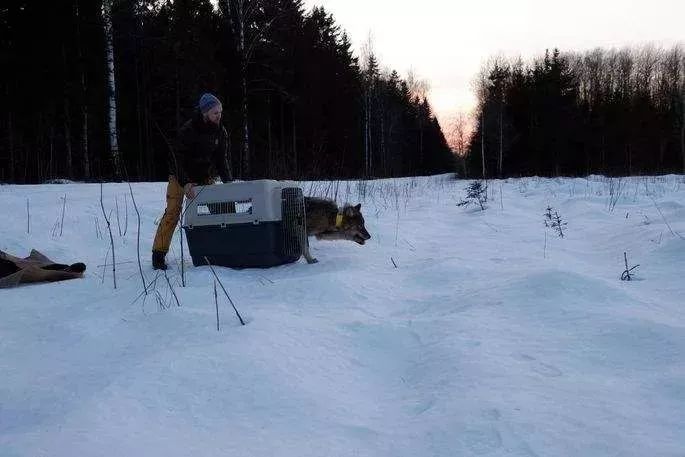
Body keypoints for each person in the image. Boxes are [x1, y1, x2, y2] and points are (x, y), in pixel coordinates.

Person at [152, 93, 233, 270]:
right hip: (180, 177)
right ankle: (158, 254)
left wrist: (229, 185)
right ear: (205, 113)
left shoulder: (221, 132)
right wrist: (186, 182)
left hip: (204, 177)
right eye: (215, 112)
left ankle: (225, 250)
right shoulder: (188, 130)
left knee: (222, 209)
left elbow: (221, 160)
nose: (219, 115)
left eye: (220, 112)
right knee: (173, 212)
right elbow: (175, 159)